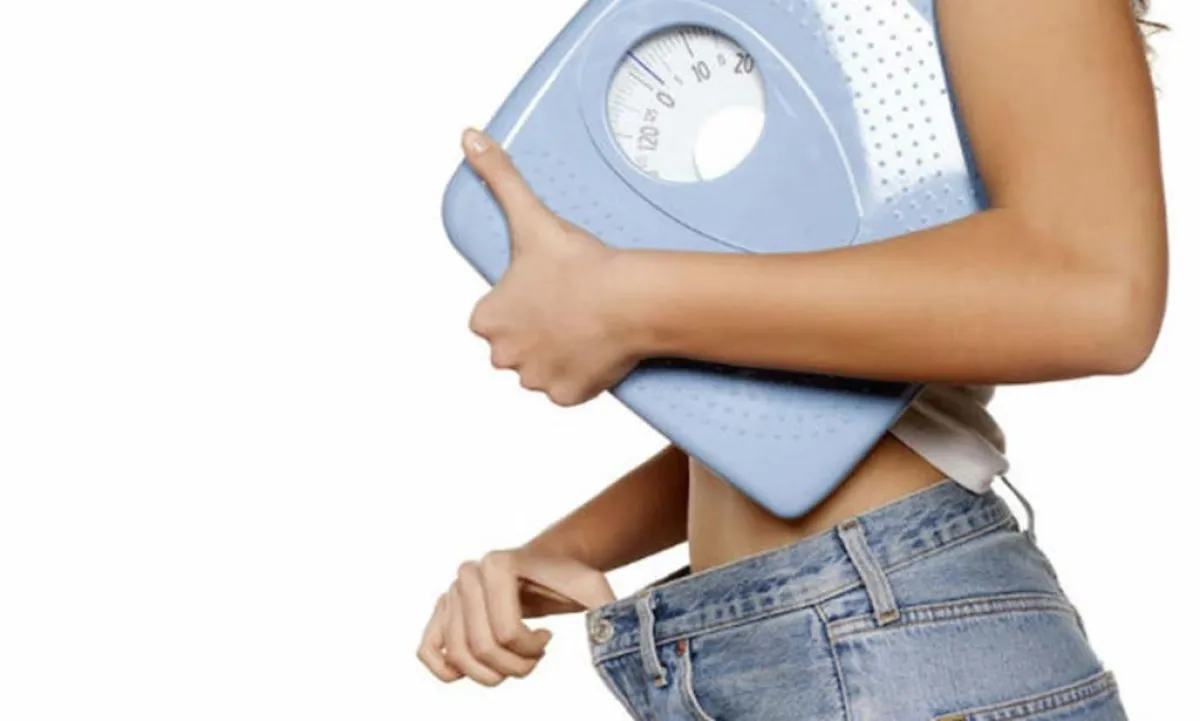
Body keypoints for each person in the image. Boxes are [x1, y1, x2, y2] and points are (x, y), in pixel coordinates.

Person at [417, 1, 1168, 718]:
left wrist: (624, 302)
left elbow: (1097, 290)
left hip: (889, 633)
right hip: (793, 632)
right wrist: (567, 549)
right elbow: (814, 417)